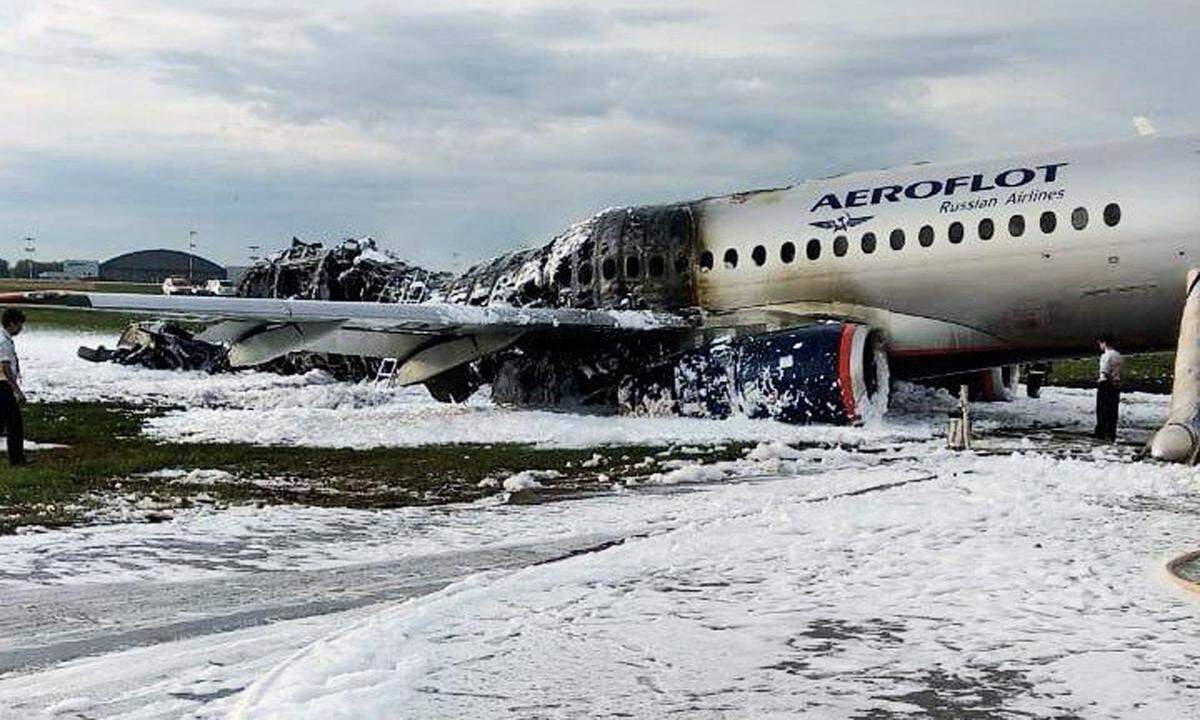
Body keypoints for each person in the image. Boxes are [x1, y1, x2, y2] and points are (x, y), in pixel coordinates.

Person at [0, 308, 27, 466]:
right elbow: (5, 368)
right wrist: (17, 391)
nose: (20, 329)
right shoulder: (4, 342)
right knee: (14, 424)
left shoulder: (3, 338)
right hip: (3, 385)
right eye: (19, 325)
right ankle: (16, 460)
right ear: (12, 323)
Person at [1094, 335, 1123, 441]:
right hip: (1116, 384)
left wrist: (1103, 379)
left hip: (1106, 384)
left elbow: (1105, 371)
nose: (1100, 346)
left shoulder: (1106, 356)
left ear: (1104, 343)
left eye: (1100, 344)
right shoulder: (1118, 355)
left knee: (1102, 409)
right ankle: (1111, 432)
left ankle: (1101, 431)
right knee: (1113, 410)